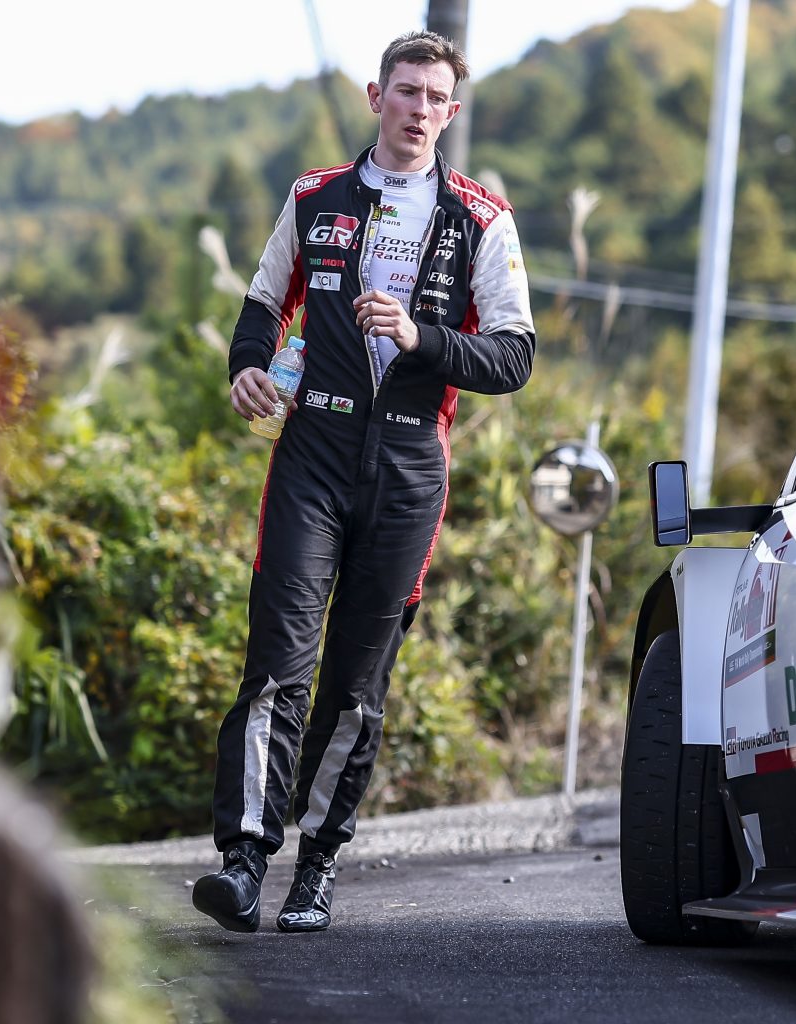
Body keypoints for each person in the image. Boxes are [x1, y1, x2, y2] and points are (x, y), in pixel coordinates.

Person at [192, 29, 535, 934]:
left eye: (435, 98)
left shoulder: (482, 217)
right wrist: (247, 366)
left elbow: (514, 356)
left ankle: (317, 863)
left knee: (355, 684)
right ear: (376, 96)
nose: (419, 110)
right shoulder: (316, 196)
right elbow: (262, 302)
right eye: (406, 91)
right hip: (313, 450)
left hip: (411, 466)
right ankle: (243, 860)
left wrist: (425, 339)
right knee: (278, 663)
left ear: (451, 113)